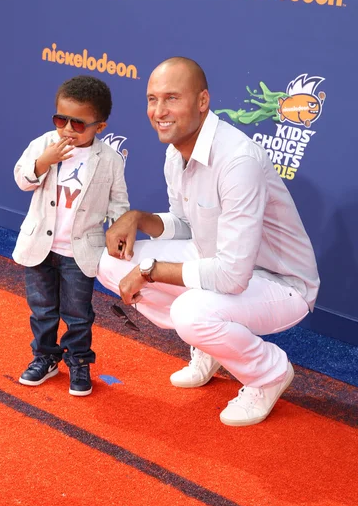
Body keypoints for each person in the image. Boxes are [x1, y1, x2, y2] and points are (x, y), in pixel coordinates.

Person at [97, 57, 320, 426]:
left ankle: (268, 372)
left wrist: (150, 271)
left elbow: (233, 276)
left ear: (203, 102)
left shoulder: (237, 160)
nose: (159, 111)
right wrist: (139, 218)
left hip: (280, 283)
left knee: (190, 312)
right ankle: (210, 342)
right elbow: (186, 226)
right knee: (109, 262)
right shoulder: (176, 152)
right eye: (152, 99)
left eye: (171, 98)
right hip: (216, 260)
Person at [13, 75, 129, 396]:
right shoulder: (43, 144)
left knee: (78, 314)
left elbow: (118, 203)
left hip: (80, 253)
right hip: (39, 245)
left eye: (77, 124)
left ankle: (78, 360)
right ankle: (45, 358)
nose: (66, 129)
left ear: (100, 127)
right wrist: (42, 162)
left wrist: (119, 232)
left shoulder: (110, 160)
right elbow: (22, 179)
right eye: (60, 119)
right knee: (42, 309)